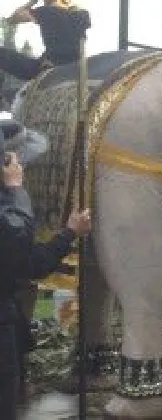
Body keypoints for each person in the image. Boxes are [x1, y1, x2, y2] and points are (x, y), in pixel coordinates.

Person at [1, 120, 91, 419]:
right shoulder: (10, 206)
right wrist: (15, 190)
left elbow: (28, 264)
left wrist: (68, 234)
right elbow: (15, 239)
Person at [0, 0, 92, 83]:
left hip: (50, 66)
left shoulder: (45, 11)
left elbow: (14, 18)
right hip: (76, 65)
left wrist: (33, 1)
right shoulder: (82, 14)